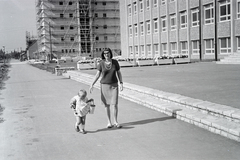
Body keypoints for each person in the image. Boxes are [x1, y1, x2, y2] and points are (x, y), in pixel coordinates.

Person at [89, 48, 123, 129]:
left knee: (114, 104)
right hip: (104, 86)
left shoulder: (115, 62)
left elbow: (118, 73)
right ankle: (109, 122)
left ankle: (116, 121)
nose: (106, 55)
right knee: (106, 105)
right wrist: (92, 84)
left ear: (110, 53)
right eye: (104, 54)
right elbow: (97, 75)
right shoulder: (101, 63)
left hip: (114, 85)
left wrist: (121, 83)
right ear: (103, 55)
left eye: (108, 53)